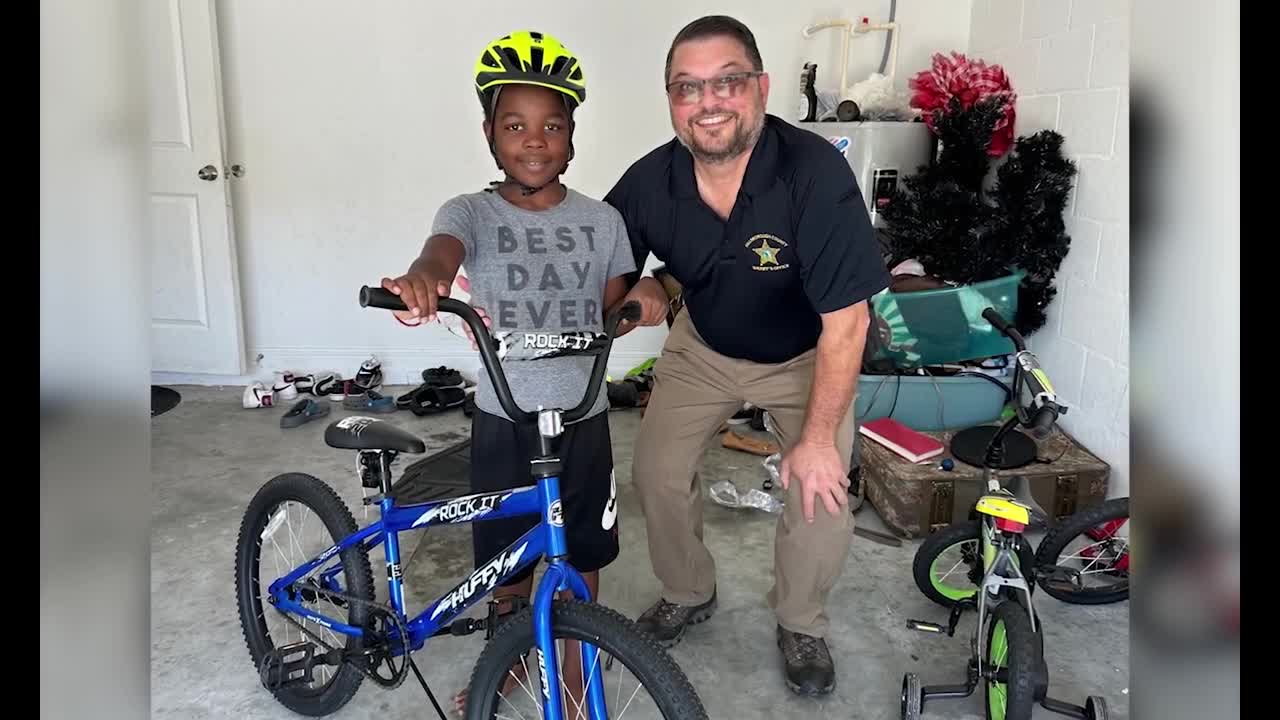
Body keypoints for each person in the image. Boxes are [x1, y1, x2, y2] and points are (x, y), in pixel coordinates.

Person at [603, 15, 891, 696]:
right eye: (687, 87)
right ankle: (688, 589)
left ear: (761, 87)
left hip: (806, 355)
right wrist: (628, 293)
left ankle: (801, 620)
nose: (708, 101)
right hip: (703, 345)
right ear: (671, 100)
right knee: (656, 471)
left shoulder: (812, 171)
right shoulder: (650, 181)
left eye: (728, 81)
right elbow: (599, 262)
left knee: (820, 491)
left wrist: (818, 438)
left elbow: (848, 320)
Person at [379, 30, 660, 712]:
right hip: (506, 420)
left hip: (585, 419)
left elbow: (619, 300)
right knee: (505, 564)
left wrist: (648, 297)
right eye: (515, 125)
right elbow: (440, 257)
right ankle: (504, 659)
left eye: (552, 126)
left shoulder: (603, 220)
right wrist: (422, 280)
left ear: (571, 136)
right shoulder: (469, 212)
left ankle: (571, 669)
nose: (534, 141)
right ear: (489, 132)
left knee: (583, 557)